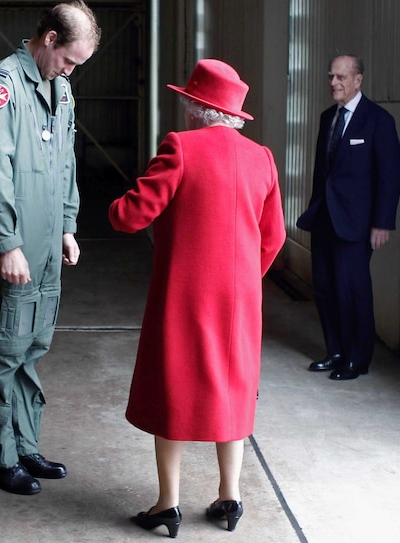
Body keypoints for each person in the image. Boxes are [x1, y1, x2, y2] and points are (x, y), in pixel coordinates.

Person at [109, 59, 286, 537]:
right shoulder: (263, 158)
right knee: (232, 394)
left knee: (176, 393)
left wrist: (111, 206)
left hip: (184, 298)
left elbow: (133, 215)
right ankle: (230, 498)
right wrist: (245, 280)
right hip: (240, 302)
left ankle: (167, 505)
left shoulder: (180, 147)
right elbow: (273, 237)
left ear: (196, 107)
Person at [0, 0, 100, 496]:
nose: (70, 71)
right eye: (68, 59)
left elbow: (66, 160)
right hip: (14, 245)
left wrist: (68, 225)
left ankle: (24, 444)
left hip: (47, 243)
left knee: (32, 347)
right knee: (5, 349)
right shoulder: (1, 85)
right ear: (48, 39)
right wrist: (8, 242)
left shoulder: (60, 88)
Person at [296, 54, 400, 381]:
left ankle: (358, 358)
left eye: (341, 77)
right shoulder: (328, 117)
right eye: (331, 76)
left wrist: (382, 223)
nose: (334, 83)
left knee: (352, 290)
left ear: (358, 80)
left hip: (357, 224)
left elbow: (389, 175)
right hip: (325, 218)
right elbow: (322, 174)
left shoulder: (378, 120)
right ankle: (336, 351)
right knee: (326, 288)